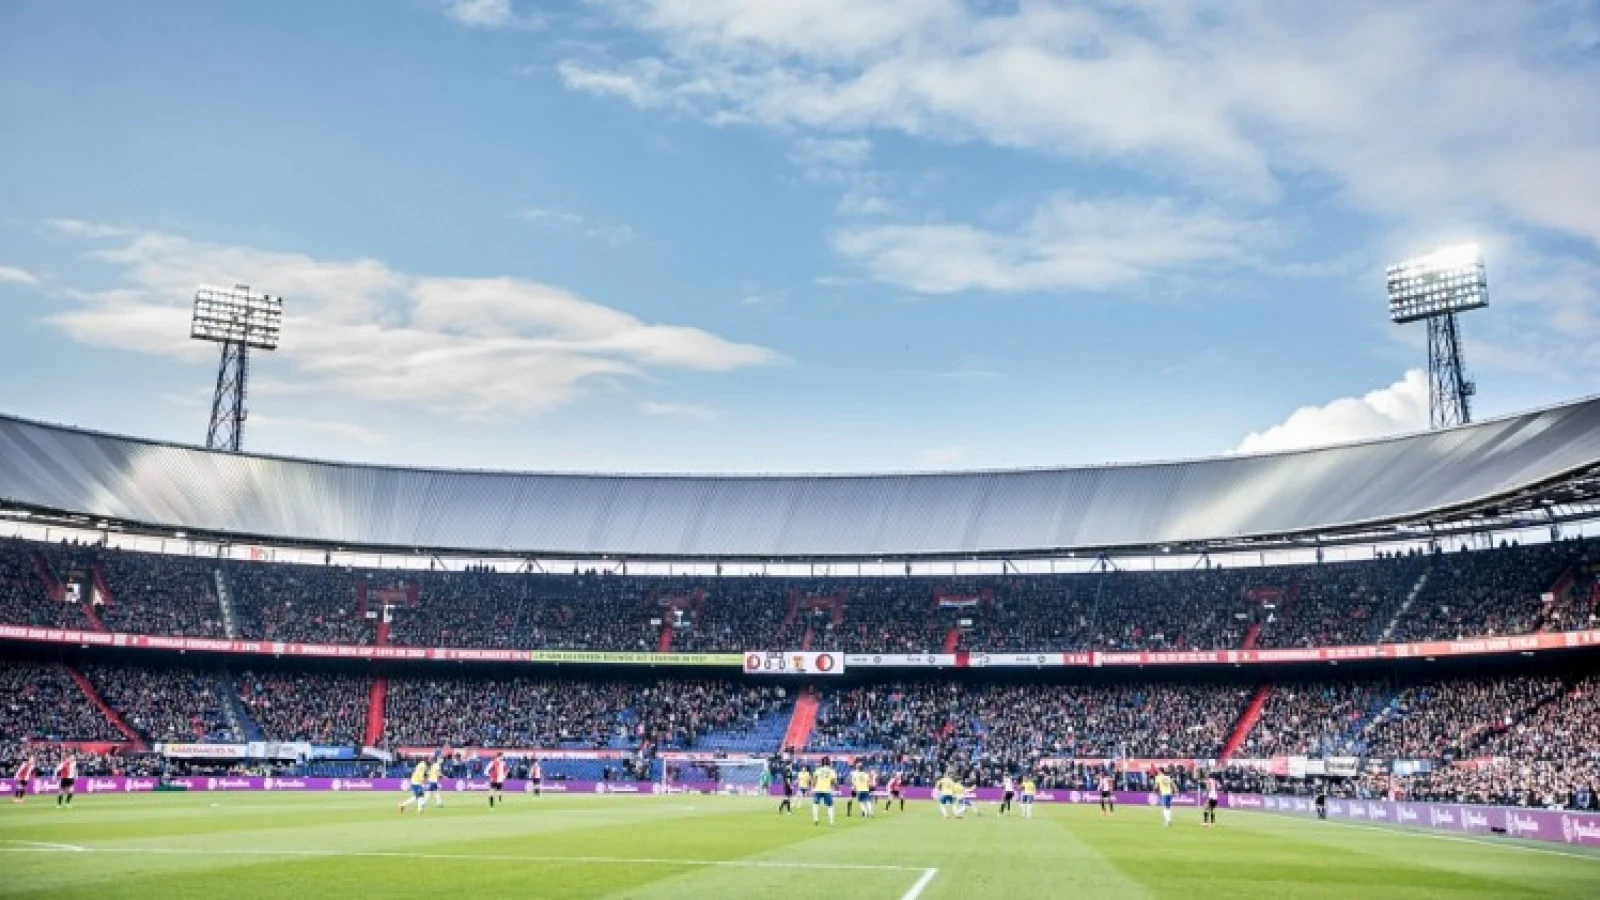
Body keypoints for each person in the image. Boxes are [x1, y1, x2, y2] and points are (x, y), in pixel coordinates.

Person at [811, 758, 838, 827]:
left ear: (822, 763)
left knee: (815, 804)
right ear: (829, 763)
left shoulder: (818, 770)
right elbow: (834, 781)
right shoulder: (831, 771)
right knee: (830, 806)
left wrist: (812, 787)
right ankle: (831, 822)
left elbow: (814, 780)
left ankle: (816, 820)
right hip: (827, 790)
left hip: (818, 789)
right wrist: (835, 786)